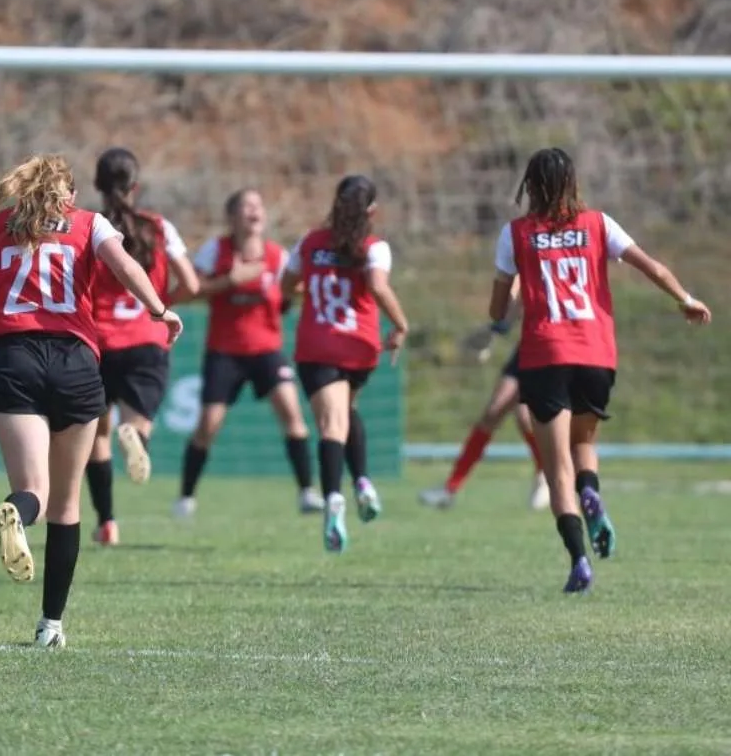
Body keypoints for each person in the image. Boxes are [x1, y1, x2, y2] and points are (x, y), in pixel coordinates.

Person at [0, 154, 182, 648]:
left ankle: (16, 509)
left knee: (33, 492)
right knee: (66, 504)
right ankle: (50, 627)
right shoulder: (88, 223)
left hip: (14, 359)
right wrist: (160, 310)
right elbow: (125, 266)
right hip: (76, 364)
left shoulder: (0, 225)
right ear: (69, 196)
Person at [490, 147, 710, 593]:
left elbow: (497, 311)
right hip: (595, 354)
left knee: (557, 472)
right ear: (573, 182)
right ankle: (592, 492)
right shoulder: (598, 224)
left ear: (529, 186)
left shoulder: (515, 234)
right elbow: (652, 266)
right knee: (585, 440)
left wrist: (513, 293)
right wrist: (686, 299)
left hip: (544, 356)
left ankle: (578, 561)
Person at [175, 189, 321, 518]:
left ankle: (307, 492)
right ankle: (186, 497)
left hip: (267, 350)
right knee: (208, 425)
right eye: (246, 206)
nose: (255, 211)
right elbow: (191, 290)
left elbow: (290, 294)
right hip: (224, 352)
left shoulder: (277, 256)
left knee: (293, 415)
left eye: (259, 205)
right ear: (232, 217)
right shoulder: (217, 251)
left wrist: (297, 293)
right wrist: (230, 280)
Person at [282, 175, 409, 553]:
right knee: (346, 410)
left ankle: (334, 497)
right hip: (360, 348)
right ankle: (364, 481)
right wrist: (401, 324)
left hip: (319, 346)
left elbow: (286, 284)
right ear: (373, 211)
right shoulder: (373, 247)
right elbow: (378, 285)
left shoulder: (309, 242)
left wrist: (306, 288)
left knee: (331, 423)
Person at [86, 148, 199, 546]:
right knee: (137, 425)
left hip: (96, 342)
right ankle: (134, 436)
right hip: (146, 340)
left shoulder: (88, 227)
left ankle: (107, 523)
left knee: (96, 436)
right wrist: (161, 306)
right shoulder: (159, 227)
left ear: (98, 186)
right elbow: (192, 283)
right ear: (135, 186)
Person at [419, 281, 550, 511]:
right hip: (528, 345)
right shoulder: (526, 255)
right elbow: (518, 298)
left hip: (555, 347)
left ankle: (547, 475)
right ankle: (450, 488)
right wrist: (495, 330)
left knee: (525, 416)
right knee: (492, 413)